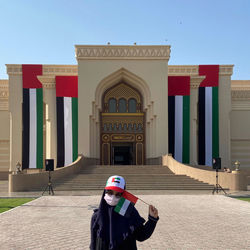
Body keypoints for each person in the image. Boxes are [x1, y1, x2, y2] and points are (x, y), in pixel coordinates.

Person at [90, 175, 159, 250]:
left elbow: (141, 235)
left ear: (123, 195)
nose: (113, 197)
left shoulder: (130, 213)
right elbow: (93, 243)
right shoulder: (96, 217)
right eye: (110, 192)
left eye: (118, 194)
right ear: (104, 192)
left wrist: (152, 219)